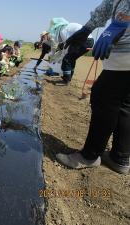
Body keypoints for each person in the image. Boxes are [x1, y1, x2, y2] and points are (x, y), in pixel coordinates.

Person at [56, 0, 130, 174]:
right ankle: (120, 158)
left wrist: (120, 23)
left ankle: (89, 156)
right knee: (125, 104)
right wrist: (86, 29)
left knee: (104, 98)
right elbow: (106, 7)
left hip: (126, 52)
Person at [47, 17, 94, 84]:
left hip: (84, 41)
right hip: (89, 41)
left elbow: (66, 47)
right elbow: (67, 43)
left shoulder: (63, 30)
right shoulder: (68, 27)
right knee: (71, 59)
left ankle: (66, 79)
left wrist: (61, 60)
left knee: (67, 59)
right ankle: (68, 78)